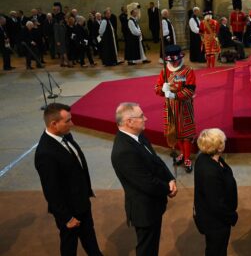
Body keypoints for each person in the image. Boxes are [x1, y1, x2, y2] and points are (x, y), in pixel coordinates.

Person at [34, 103, 103, 256]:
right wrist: (67, 217)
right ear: (53, 124)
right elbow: (51, 191)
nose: (72, 124)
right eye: (67, 121)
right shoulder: (45, 153)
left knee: (90, 240)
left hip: (82, 202)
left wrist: (86, 190)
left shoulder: (65, 135)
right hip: (69, 211)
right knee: (69, 245)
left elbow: (77, 166)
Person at [111, 102, 177, 256]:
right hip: (144, 209)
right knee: (146, 249)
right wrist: (168, 188)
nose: (145, 118)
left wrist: (170, 178)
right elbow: (145, 182)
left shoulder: (138, 136)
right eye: (141, 116)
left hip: (152, 204)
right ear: (129, 122)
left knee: (152, 246)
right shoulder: (124, 151)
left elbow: (156, 160)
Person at [194, 128, 238, 256]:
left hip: (214, 217)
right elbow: (216, 204)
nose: (225, 142)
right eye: (223, 141)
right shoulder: (210, 172)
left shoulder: (206, 157)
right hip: (216, 222)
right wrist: (232, 216)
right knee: (216, 250)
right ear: (218, 147)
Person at [155, 45, 196, 172]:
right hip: (170, 106)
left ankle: (188, 157)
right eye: (171, 60)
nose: (174, 62)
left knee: (186, 134)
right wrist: (162, 89)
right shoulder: (164, 71)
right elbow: (157, 87)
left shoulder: (188, 71)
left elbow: (190, 90)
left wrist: (174, 94)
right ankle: (182, 153)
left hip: (184, 106)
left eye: (176, 60)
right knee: (175, 132)